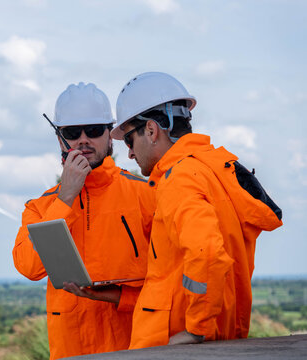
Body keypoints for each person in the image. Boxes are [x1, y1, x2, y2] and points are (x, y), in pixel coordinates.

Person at [110, 72, 283, 349]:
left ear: (152, 131)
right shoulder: (213, 171)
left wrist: (196, 329)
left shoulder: (180, 178)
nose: (129, 153)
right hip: (219, 340)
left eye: (129, 140)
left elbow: (208, 254)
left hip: (172, 345)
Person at [12, 82, 155, 359]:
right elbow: (29, 267)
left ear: (110, 135)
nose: (83, 140)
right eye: (72, 132)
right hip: (70, 351)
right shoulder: (41, 207)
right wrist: (64, 199)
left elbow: (167, 285)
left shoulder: (145, 194)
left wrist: (116, 297)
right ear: (59, 138)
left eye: (93, 130)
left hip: (134, 349)